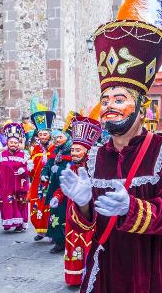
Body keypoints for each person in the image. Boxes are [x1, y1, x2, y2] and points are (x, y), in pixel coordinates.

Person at [58, 0, 162, 291]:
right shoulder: (96, 155)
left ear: (142, 106)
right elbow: (88, 224)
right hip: (107, 268)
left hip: (150, 270)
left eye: (119, 99)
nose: (109, 106)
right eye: (106, 99)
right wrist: (83, 204)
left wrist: (133, 209)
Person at [52, 114, 102, 285]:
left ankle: (89, 276)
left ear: (87, 151)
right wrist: (57, 197)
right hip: (71, 214)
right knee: (73, 244)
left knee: (88, 244)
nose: (73, 153)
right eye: (72, 150)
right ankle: (74, 277)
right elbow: (63, 188)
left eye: (77, 150)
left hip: (90, 215)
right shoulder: (72, 167)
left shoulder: (95, 169)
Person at [0, 122, 29, 232]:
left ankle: (19, 224)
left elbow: (30, 171)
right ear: (7, 143)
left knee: (19, 204)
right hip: (5, 186)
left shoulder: (24, 155)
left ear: (19, 144)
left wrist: (25, 170)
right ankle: (8, 222)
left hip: (19, 186)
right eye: (11, 142)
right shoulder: (1, 156)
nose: (13, 144)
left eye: (15, 142)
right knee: (6, 204)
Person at [41, 125, 73, 253]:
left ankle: (68, 242)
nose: (57, 139)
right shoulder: (55, 151)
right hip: (55, 187)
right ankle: (59, 241)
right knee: (55, 214)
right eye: (56, 137)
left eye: (60, 137)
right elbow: (48, 165)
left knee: (66, 215)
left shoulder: (73, 151)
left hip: (68, 189)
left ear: (68, 138)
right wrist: (44, 174)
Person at [28, 104, 56, 242]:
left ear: (50, 135)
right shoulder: (35, 149)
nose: (43, 137)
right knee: (36, 207)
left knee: (49, 207)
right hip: (37, 183)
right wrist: (29, 167)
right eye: (40, 134)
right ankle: (41, 231)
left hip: (50, 183)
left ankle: (51, 232)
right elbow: (32, 170)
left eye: (45, 134)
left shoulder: (56, 148)